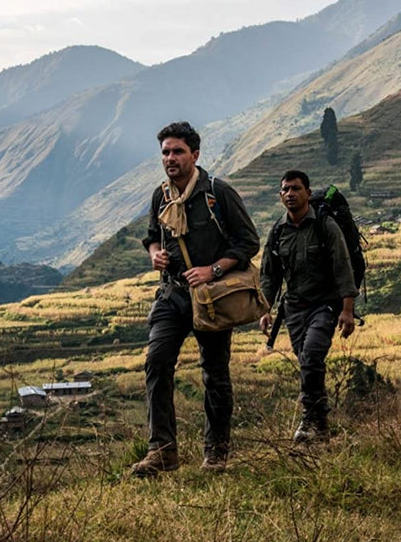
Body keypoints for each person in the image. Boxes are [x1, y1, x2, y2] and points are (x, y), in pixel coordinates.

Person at [130, 121, 260, 476]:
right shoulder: (161, 196)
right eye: (165, 152)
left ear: (195, 155)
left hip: (211, 298)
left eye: (177, 151)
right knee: (157, 364)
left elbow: (249, 242)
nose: (170, 158)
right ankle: (162, 451)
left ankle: (216, 454)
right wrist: (154, 253)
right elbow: (151, 237)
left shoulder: (218, 193)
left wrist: (213, 270)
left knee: (214, 375)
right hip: (171, 294)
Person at [259, 170, 358, 442]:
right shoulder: (278, 231)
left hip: (324, 305)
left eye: (296, 189)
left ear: (307, 192)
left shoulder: (324, 225)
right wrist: (264, 310)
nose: (290, 194)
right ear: (280, 196)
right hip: (294, 309)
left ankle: (309, 419)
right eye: (285, 190)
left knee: (312, 356)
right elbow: (270, 275)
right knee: (307, 363)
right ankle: (321, 426)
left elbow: (342, 266)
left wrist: (347, 310)